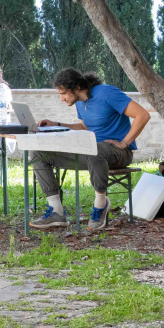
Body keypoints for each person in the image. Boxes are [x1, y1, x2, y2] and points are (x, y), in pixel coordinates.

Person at [31, 68, 151, 231]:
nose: (62, 99)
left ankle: (101, 205)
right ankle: (56, 211)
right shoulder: (80, 103)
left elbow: (143, 115)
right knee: (38, 153)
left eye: (63, 93)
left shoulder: (107, 93)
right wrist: (57, 124)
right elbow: (85, 127)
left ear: (76, 88)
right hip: (92, 153)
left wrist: (124, 143)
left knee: (94, 150)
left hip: (119, 153)